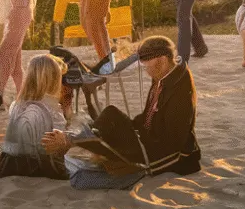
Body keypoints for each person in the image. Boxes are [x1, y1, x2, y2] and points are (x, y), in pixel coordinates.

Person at [42, 36, 200, 190]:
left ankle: (71, 141)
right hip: (148, 137)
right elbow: (147, 117)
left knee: (100, 146)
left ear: (163, 60)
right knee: (110, 115)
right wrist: (128, 128)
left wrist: (137, 156)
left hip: (168, 154)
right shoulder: (163, 74)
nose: (145, 70)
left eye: (147, 65)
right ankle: (78, 139)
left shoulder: (180, 89)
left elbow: (173, 142)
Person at [0, 54, 70, 179]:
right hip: (39, 164)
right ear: (55, 80)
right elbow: (57, 149)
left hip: (8, 164)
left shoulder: (17, 105)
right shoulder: (52, 109)